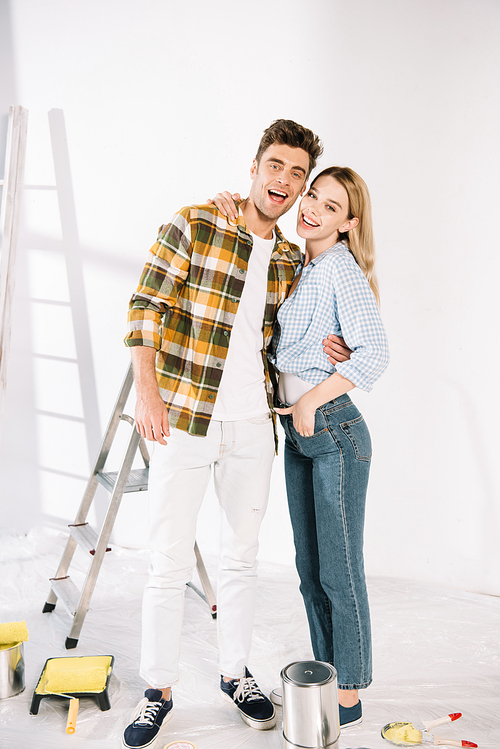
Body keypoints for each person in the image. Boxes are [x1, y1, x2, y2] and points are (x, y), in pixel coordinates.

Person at [122, 120, 348, 749]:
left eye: (297, 174)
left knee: (241, 559)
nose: (285, 180)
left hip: (253, 425)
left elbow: (288, 334)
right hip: (184, 419)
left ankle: (234, 675)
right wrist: (149, 395)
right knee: (167, 560)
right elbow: (145, 309)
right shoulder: (194, 223)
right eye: (276, 165)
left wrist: (330, 348)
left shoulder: (285, 258)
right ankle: (157, 691)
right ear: (254, 167)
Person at [213, 166, 389, 730]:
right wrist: (229, 203)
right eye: (312, 194)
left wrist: (314, 399)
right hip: (297, 432)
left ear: (349, 223)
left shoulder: (341, 268)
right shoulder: (299, 261)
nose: (312, 207)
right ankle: (329, 676)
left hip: (333, 430)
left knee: (340, 570)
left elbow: (376, 354)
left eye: (331, 206)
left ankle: (350, 693)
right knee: (309, 567)